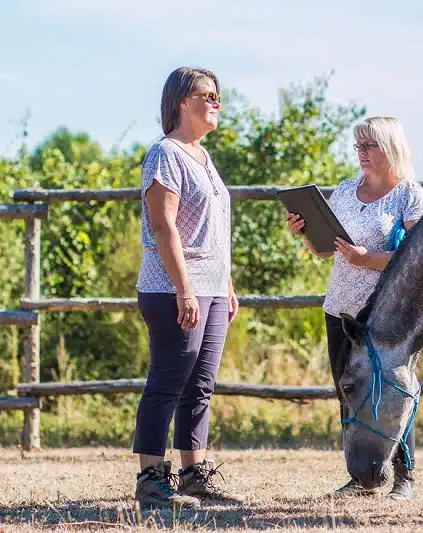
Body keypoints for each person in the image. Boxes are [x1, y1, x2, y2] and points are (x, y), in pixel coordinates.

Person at [286, 116, 423, 500]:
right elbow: (324, 249)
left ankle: (404, 476)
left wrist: (369, 259)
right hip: (340, 309)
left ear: (390, 148)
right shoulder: (346, 191)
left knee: (392, 394)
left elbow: (417, 258)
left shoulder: (409, 195)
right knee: (348, 393)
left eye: (369, 146)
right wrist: (304, 234)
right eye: (359, 146)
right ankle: (362, 476)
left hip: (387, 314)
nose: (362, 154)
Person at [133, 66, 240, 509]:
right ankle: (152, 479)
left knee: (201, 385)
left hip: (212, 289)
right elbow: (164, 227)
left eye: (218, 96)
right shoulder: (166, 153)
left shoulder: (203, 157)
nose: (216, 103)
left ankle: (194, 473)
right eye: (207, 95)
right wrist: (184, 290)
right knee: (168, 381)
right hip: (172, 288)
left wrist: (226, 283)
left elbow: (213, 230)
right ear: (182, 102)